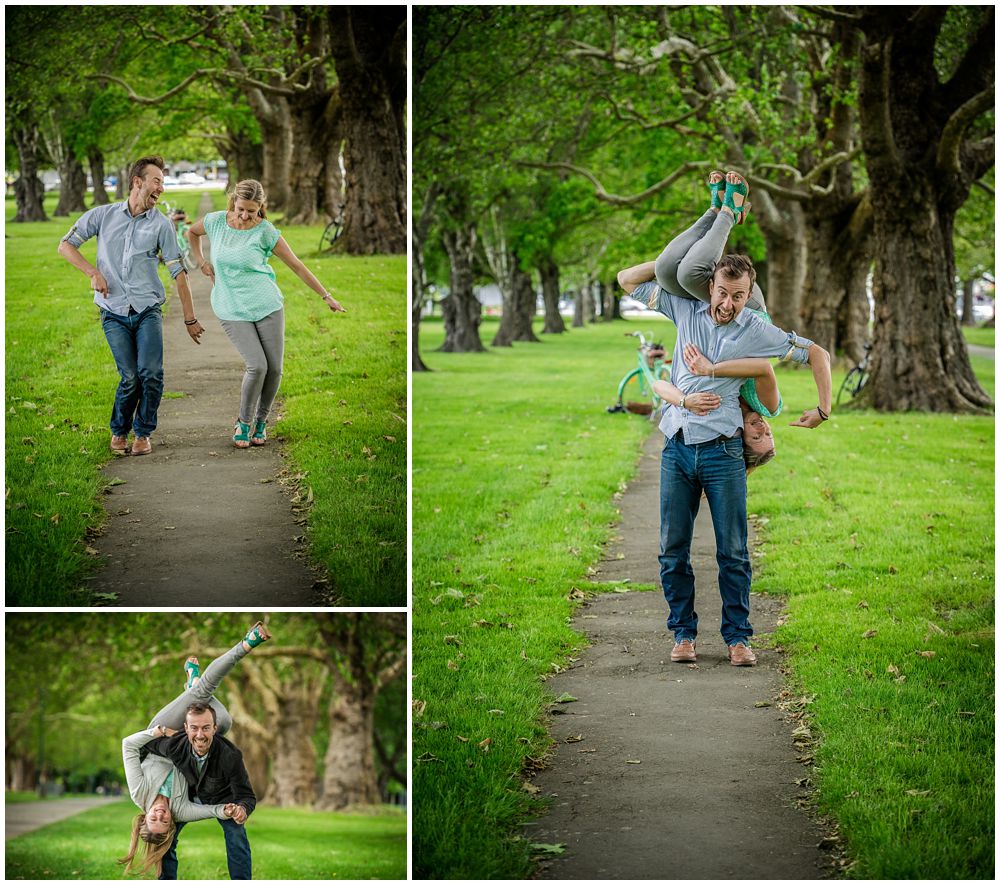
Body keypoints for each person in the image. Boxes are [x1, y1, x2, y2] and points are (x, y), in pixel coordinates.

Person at [617, 170, 832, 667]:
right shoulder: (684, 307)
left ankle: (738, 639)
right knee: (673, 550)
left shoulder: (757, 329)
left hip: (722, 454)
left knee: (733, 552)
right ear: (709, 285)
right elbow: (628, 281)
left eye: (738, 296)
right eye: (721, 293)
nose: (727, 305)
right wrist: (671, 266)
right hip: (675, 449)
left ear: (747, 294)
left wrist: (823, 408)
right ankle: (683, 636)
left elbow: (817, 353)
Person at [57, 156, 204, 457]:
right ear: (138, 182)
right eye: (157, 181)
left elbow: (179, 273)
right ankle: (119, 429)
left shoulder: (162, 225)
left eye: (162, 182)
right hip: (113, 312)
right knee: (130, 377)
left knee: (150, 373)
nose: (161, 188)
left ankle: (144, 431)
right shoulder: (103, 215)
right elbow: (65, 245)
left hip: (147, 309)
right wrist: (93, 272)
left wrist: (190, 319)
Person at [185, 179, 347, 448]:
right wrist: (201, 261)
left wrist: (326, 296)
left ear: (261, 207)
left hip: (266, 304)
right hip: (231, 306)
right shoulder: (215, 222)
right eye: (241, 209)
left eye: (252, 210)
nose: (245, 215)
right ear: (233, 202)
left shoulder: (266, 232)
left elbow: (296, 266)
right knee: (257, 366)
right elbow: (191, 232)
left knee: (274, 370)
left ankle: (262, 421)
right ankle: (243, 422)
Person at [119, 621, 270, 878]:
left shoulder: (139, 793)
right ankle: (192, 685)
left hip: (161, 736)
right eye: (165, 821)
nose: (161, 814)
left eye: (155, 819)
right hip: (187, 741)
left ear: (145, 818)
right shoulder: (179, 810)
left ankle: (246, 643)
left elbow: (128, 746)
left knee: (203, 691)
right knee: (223, 722)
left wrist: (157, 732)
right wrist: (229, 810)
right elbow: (209, 810)